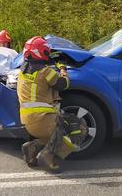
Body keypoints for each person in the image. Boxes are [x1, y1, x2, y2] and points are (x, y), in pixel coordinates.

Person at [17, 36, 82, 173]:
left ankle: (31, 148)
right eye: (46, 52)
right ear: (41, 52)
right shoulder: (46, 71)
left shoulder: (22, 71)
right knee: (77, 127)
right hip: (43, 119)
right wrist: (62, 68)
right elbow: (63, 84)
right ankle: (48, 157)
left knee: (50, 136)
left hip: (27, 120)